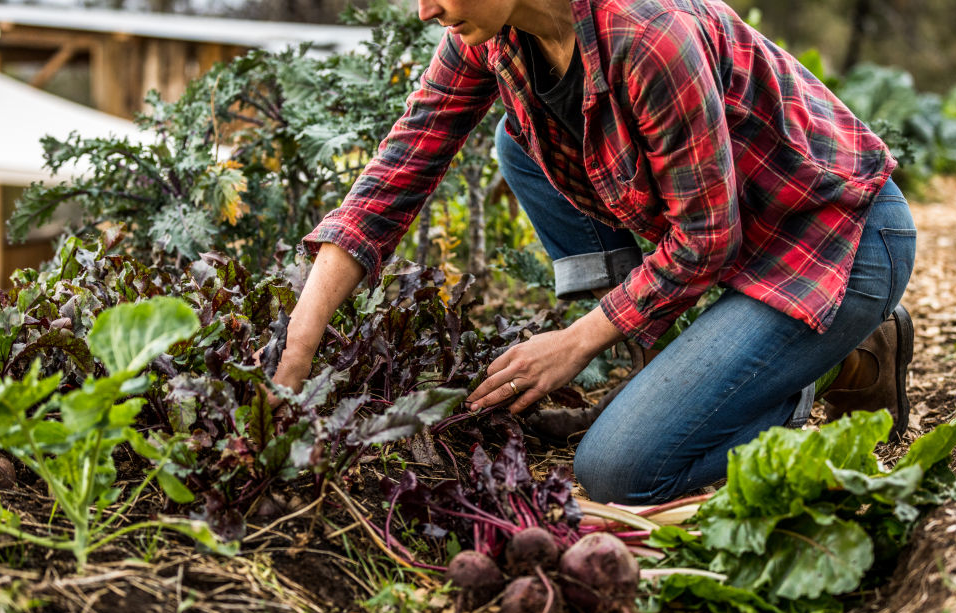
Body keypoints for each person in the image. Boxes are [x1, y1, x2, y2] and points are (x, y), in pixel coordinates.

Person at [271, 0, 917, 505]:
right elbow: (393, 177)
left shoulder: (647, 36)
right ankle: (677, 369)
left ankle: (836, 368)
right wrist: (298, 347)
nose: (426, 11)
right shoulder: (491, 39)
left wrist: (577, 340)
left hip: (832, 244)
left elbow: (705, 240)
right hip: (736, 242)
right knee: (519, 141)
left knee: (620, 471)